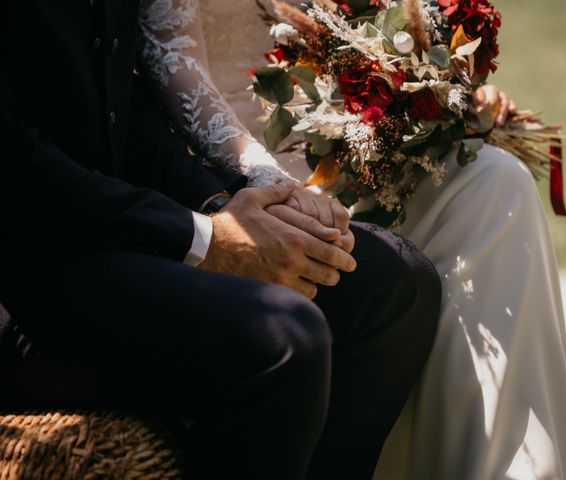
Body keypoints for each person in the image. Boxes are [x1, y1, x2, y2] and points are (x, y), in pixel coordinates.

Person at [0, 1, 442, 479]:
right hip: (24, 274)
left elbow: (122, 106)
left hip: (113, 232)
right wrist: (204, 239)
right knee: (286, 339)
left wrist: (232, 205)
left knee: (396, 285)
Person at [195, 0, 566, 478]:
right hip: (229, 168)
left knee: (495, 180)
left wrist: (444, 92)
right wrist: (260, 180)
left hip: (354, 144)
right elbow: (166, 71)